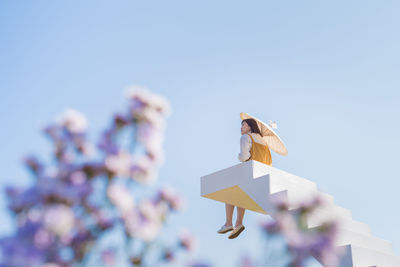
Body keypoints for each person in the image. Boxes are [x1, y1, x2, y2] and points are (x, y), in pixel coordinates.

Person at [217, 118, 272, 239]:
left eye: (243, 124)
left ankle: (228, 223)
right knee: (240, 194)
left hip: (251, 171)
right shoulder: (265, 143)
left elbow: (243, 157)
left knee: (229, 190)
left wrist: (239, 156)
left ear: (250, 126)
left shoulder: (246, 137)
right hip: (264, 173)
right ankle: (238, 223)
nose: (241, 127)